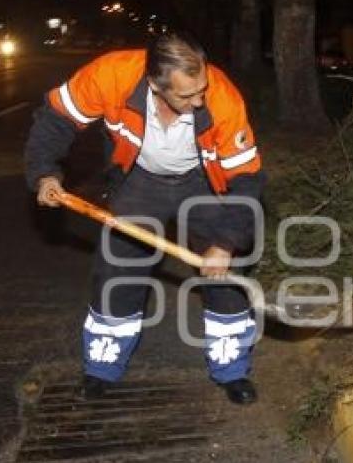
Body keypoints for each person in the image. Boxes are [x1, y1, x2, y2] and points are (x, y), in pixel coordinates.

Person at [25, 33, 264, 405]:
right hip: (140, 178)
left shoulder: (221, 97)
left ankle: (231, 370)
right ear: (154, 83)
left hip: (204, 180)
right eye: (186, 96)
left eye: (201, 88)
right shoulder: (111, 75)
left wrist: (225, 242)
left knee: (227, 277)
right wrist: (45, 172)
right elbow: (55, 120)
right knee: (118, 272)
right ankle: (101, 368)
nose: (199, 100)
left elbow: (247, 179)